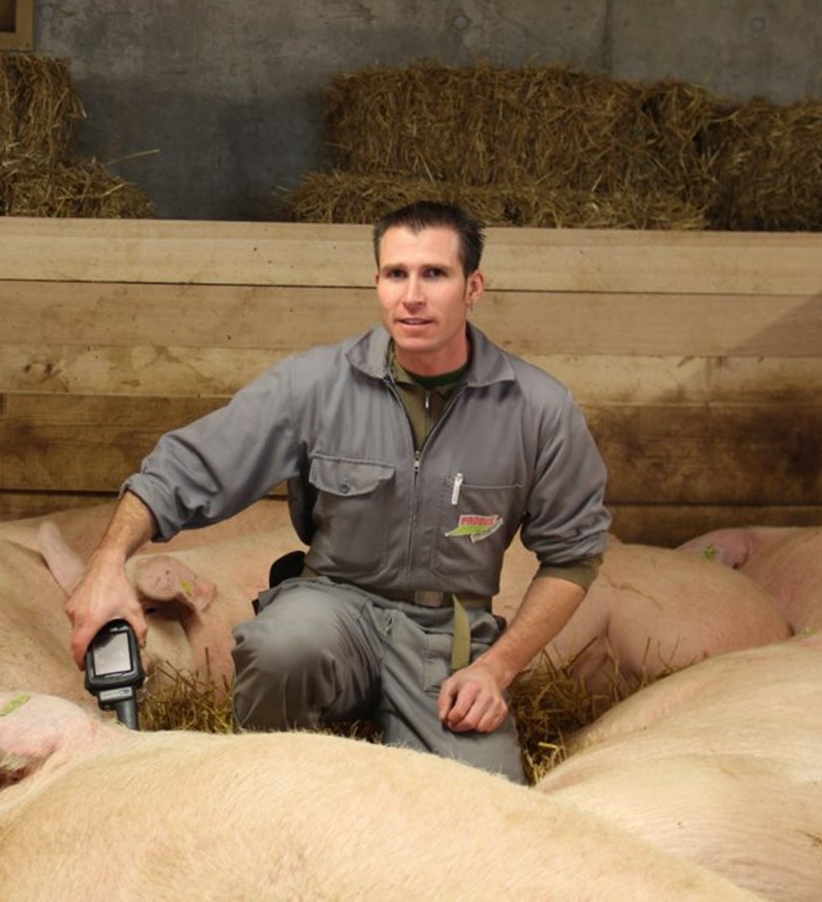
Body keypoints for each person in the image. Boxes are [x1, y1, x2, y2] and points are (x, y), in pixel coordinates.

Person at [65, 200, 609, 782]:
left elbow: (573, 555)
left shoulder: (538, 408)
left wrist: (496, 669)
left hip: (445, 639)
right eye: (396, 274)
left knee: (483, 799)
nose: (412, 296)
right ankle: (266, 792)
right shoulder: (316, 385)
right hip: (333, 611)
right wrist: (106, 561)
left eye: (434, 274)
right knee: (281, 647)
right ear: (377, 282)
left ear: (473, 287)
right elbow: (182, 469)